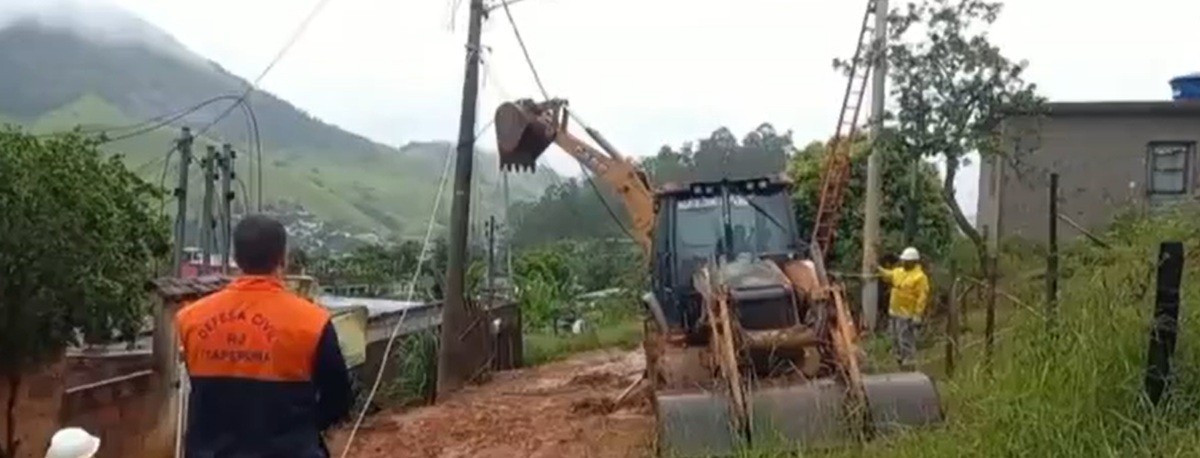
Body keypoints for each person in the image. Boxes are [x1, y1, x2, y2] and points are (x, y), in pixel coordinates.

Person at [176, 214, 352, 457]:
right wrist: (303, 430)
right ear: (283, 258)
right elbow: (338, 400)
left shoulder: (190, 318)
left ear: (236, 258)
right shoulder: (313, 321)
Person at [877, 246, 930, 371]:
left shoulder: (920, 277)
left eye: (907, 260)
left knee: (905, 339)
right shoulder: (899, 272)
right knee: (895, 338)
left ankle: (909, 363)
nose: (904, 262)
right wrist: (877, 268)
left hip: (907, 313)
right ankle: (900, 361)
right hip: (894, 311)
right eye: (903, 260)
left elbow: (922, 297)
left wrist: (918, 314)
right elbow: (887, 275)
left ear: (913, 262)